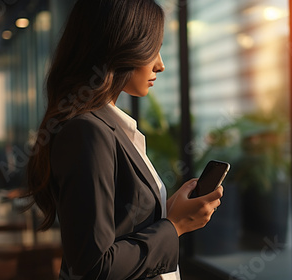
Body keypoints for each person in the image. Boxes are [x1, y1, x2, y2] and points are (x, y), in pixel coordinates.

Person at [25, 0, 223, 279]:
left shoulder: (108, 128)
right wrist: (174, 226)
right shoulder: (87, 132)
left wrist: (165, 214)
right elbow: (94, 267)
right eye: (153, 48)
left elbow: (117, 229)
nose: (160, 65)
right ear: (119, 47)